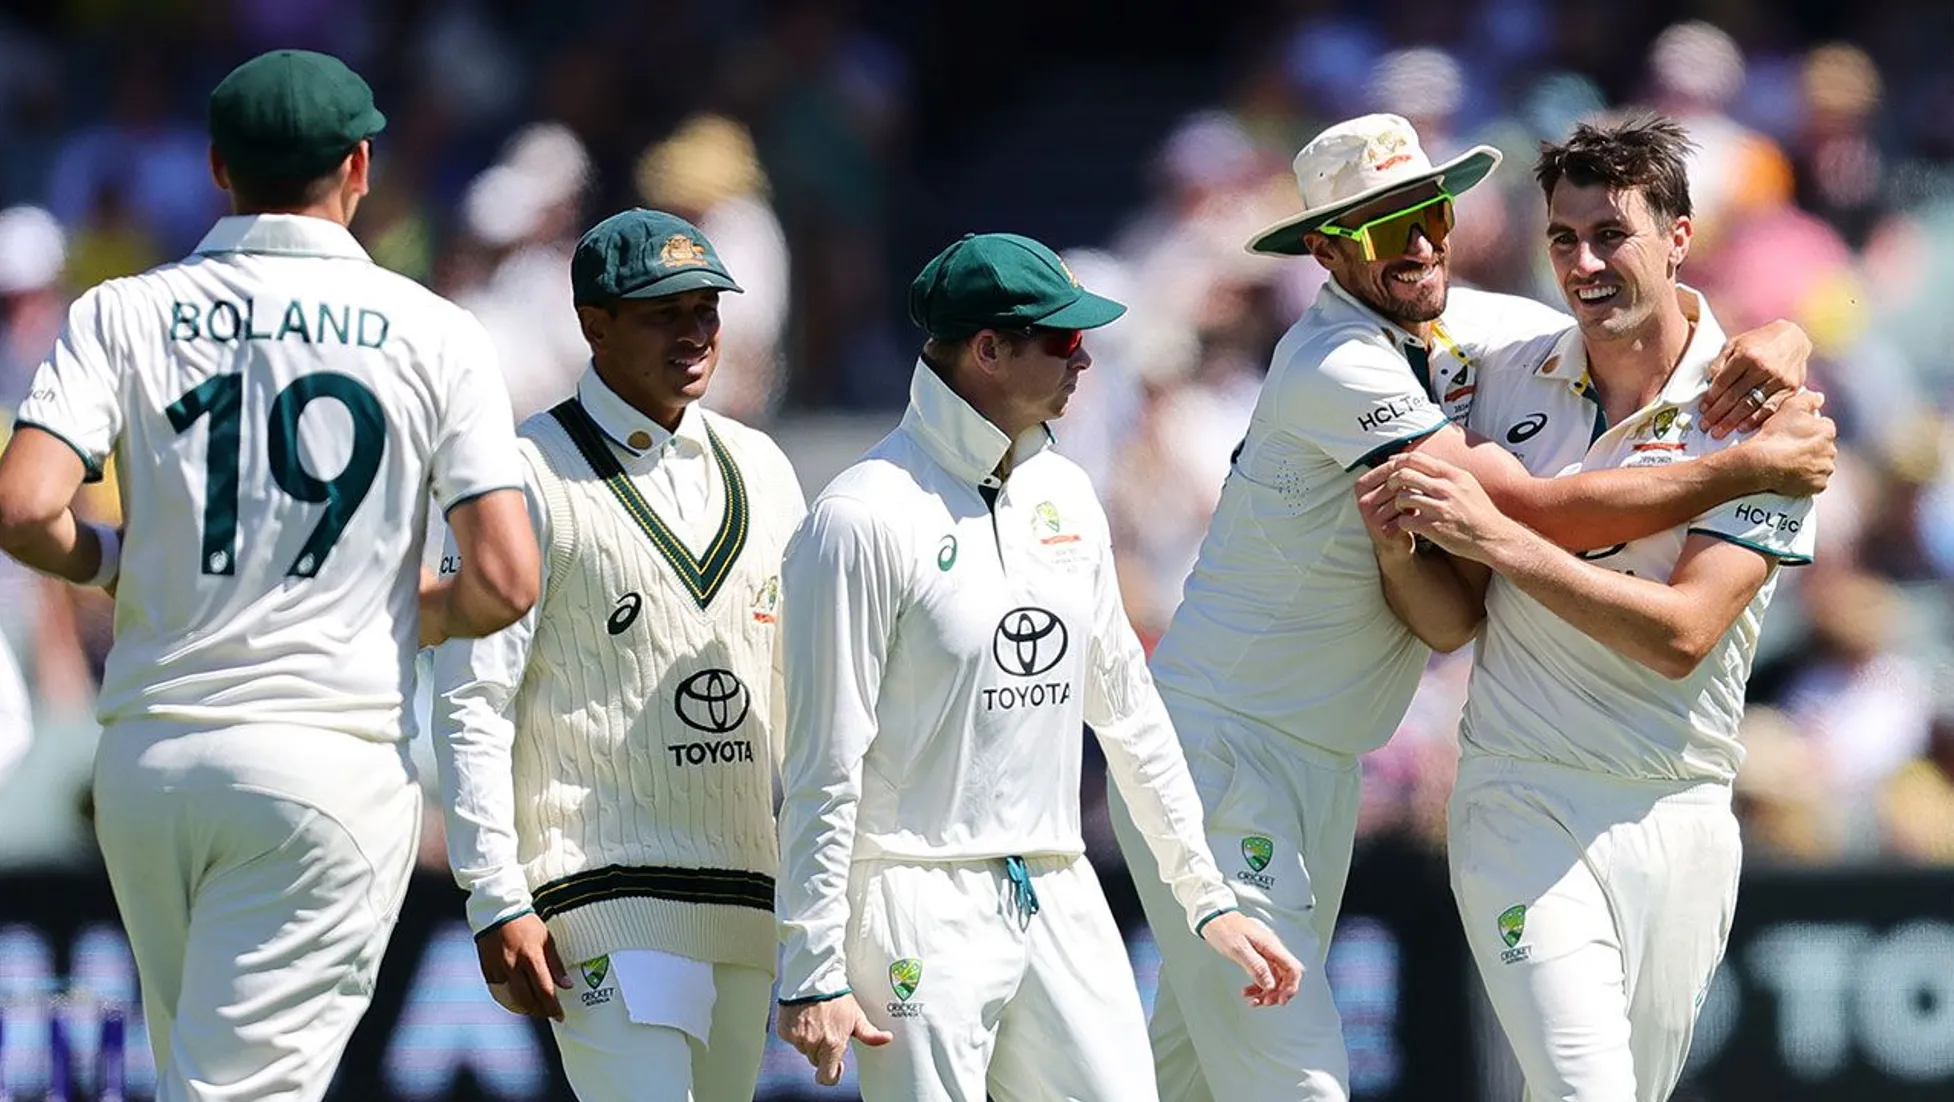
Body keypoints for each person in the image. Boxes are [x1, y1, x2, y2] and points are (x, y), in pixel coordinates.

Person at [1105, 112, 1835, 1102]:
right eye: (1375, 228)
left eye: (1424, 212)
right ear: (1322, 252)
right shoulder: (1338, 362)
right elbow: (1524, 512)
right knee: (1297, 1080)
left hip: (1345, 762)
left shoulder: (1487, 337)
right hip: (1230, 750)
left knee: (1185, 1072)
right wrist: (1741, 465)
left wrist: (1784, 338)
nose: (1411, 244)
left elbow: (1450, 620)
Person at [0, 49, 539, 1099]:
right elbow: (508, 578)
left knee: (199, 1073)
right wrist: (407, 612)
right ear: (360, 167)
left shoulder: (121, 312)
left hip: (149, 765)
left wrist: (114, 565)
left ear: (215, 168)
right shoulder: (439, 333)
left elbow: (21, 506)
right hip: (324, 766)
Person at [774, 232, 1303, 1101]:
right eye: (1061, 340)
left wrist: (1207, 896)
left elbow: (1128, 713)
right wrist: (813, 965)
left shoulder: (1064, 495)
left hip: (1058, 881)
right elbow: (823, 765)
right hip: (912, 895)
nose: (1085, 359)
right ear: (988, 350)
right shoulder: (862, 518)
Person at [1368, 116, 1817, 1102]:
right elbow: (1453, 622)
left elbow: (1680, 637)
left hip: (1680, 805)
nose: (1583, 262)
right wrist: (1396, 551)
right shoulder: (1500, 370)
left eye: (1610, 233)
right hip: (1518, 795)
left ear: (1678, 237)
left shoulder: (1764, 416)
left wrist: (1499, 537)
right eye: (1562, 238)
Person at [429, 208, 807, 1102]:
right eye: (662, 311)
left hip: (746, 895)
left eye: (707, 307)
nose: (695, 332)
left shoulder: (765, 468)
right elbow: (472, 699)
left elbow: (810, 692)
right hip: (599, 896)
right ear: (593, 322)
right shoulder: (521, 471)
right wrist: (495, 895)